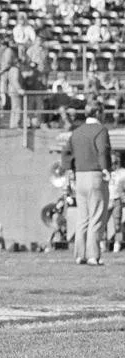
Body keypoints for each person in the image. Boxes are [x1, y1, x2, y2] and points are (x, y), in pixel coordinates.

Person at [61, 103, 111, 266]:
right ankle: (92, 255)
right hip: (95, 175)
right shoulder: (100, 130)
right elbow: (102, 149)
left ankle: (79, 254)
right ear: (97, 113)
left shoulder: (76, 132)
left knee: (83, 218)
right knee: (96, 216)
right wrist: (105, 168)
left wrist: (69, 170)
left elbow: (66, 152)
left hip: (79, 177)